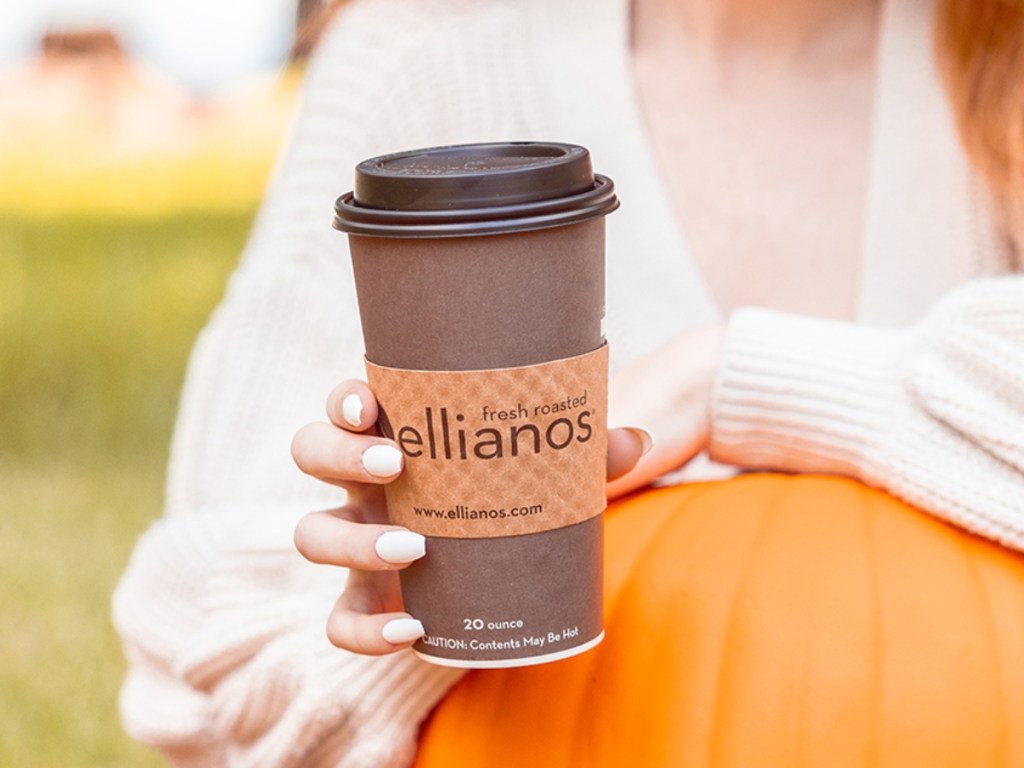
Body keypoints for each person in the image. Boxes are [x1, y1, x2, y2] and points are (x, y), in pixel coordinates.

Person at [113, 0, 1024, 765]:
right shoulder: (431, 53)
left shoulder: (999, 55)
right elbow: (184, 637)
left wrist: (732, 380)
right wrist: (417, 616)